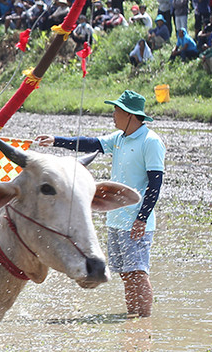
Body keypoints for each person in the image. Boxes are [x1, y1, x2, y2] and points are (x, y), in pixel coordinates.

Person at [36, 90, 165, 318]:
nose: (113, 115)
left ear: (130, 115)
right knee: (126, 273)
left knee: (138, 271)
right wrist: (56, 141)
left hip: (136, 220)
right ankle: (133, 318)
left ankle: (144, 320)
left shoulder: (151, 142)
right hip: (116, 219)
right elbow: (90, 143)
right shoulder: (119, 138)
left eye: (116, 111)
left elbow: (155, 184)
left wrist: (142, 218)